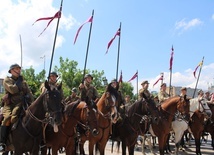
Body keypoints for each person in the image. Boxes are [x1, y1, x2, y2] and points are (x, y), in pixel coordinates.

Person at [0, 63, 34, 152]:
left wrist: (30, 98)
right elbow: (13, 90)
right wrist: (19, 82)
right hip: (10, 105)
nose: (18, 70)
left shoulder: (23, 82)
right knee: (7, 118)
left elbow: (29, 93)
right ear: (11, 71)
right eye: (16, 69)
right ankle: (2, 143)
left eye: (19, 69)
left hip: (22, 103)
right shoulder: (7, 80)